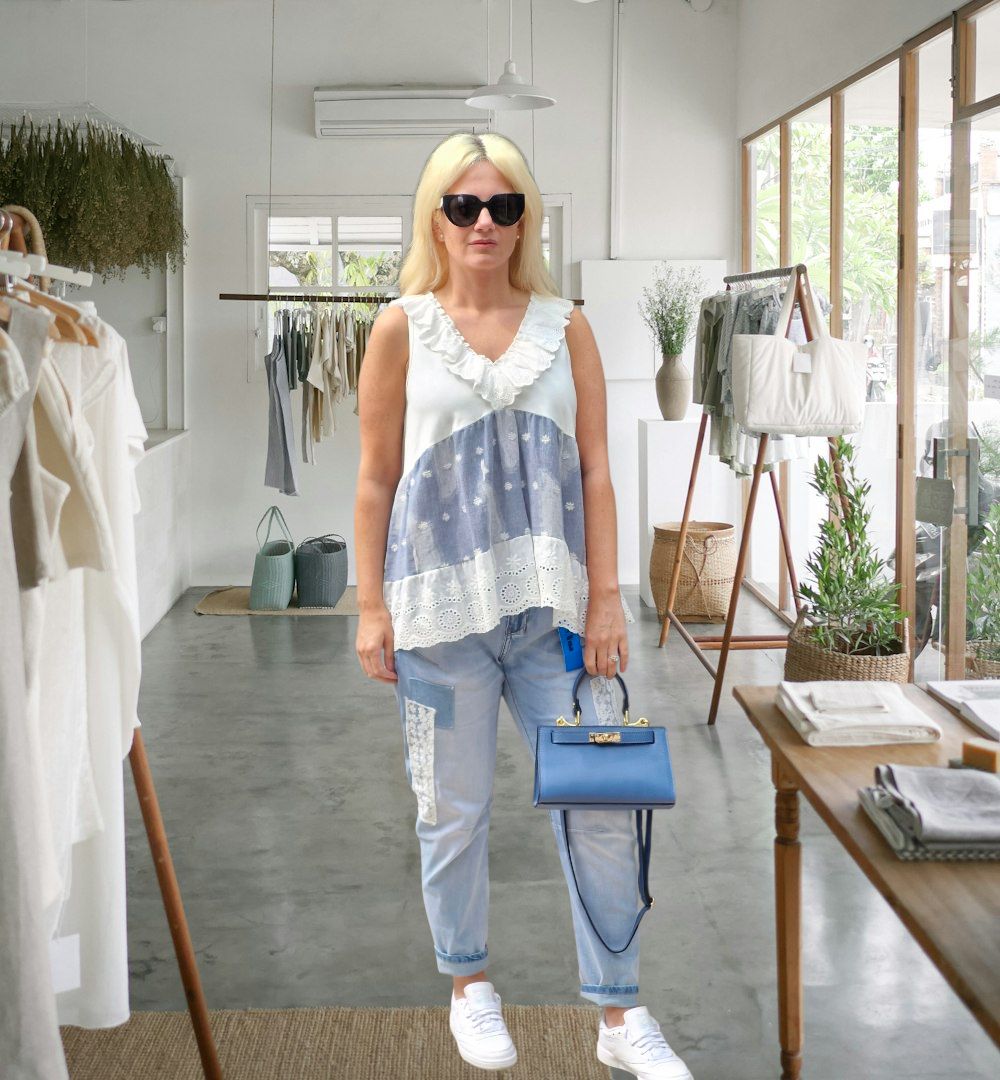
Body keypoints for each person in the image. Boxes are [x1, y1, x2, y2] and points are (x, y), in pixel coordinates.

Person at [353, 132, 692, 1080]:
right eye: (465, 206)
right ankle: (469, 987)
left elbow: (595, 470)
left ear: (526, 218)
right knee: (452, 814)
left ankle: (619, 1017)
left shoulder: (565, 324)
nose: (485, 223)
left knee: (598, 806)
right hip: (435, 620)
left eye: (505, 206)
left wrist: (613, 602)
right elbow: (375, 480)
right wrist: (371, 606)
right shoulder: (399, 328)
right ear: (436, 217)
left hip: (558, 622)